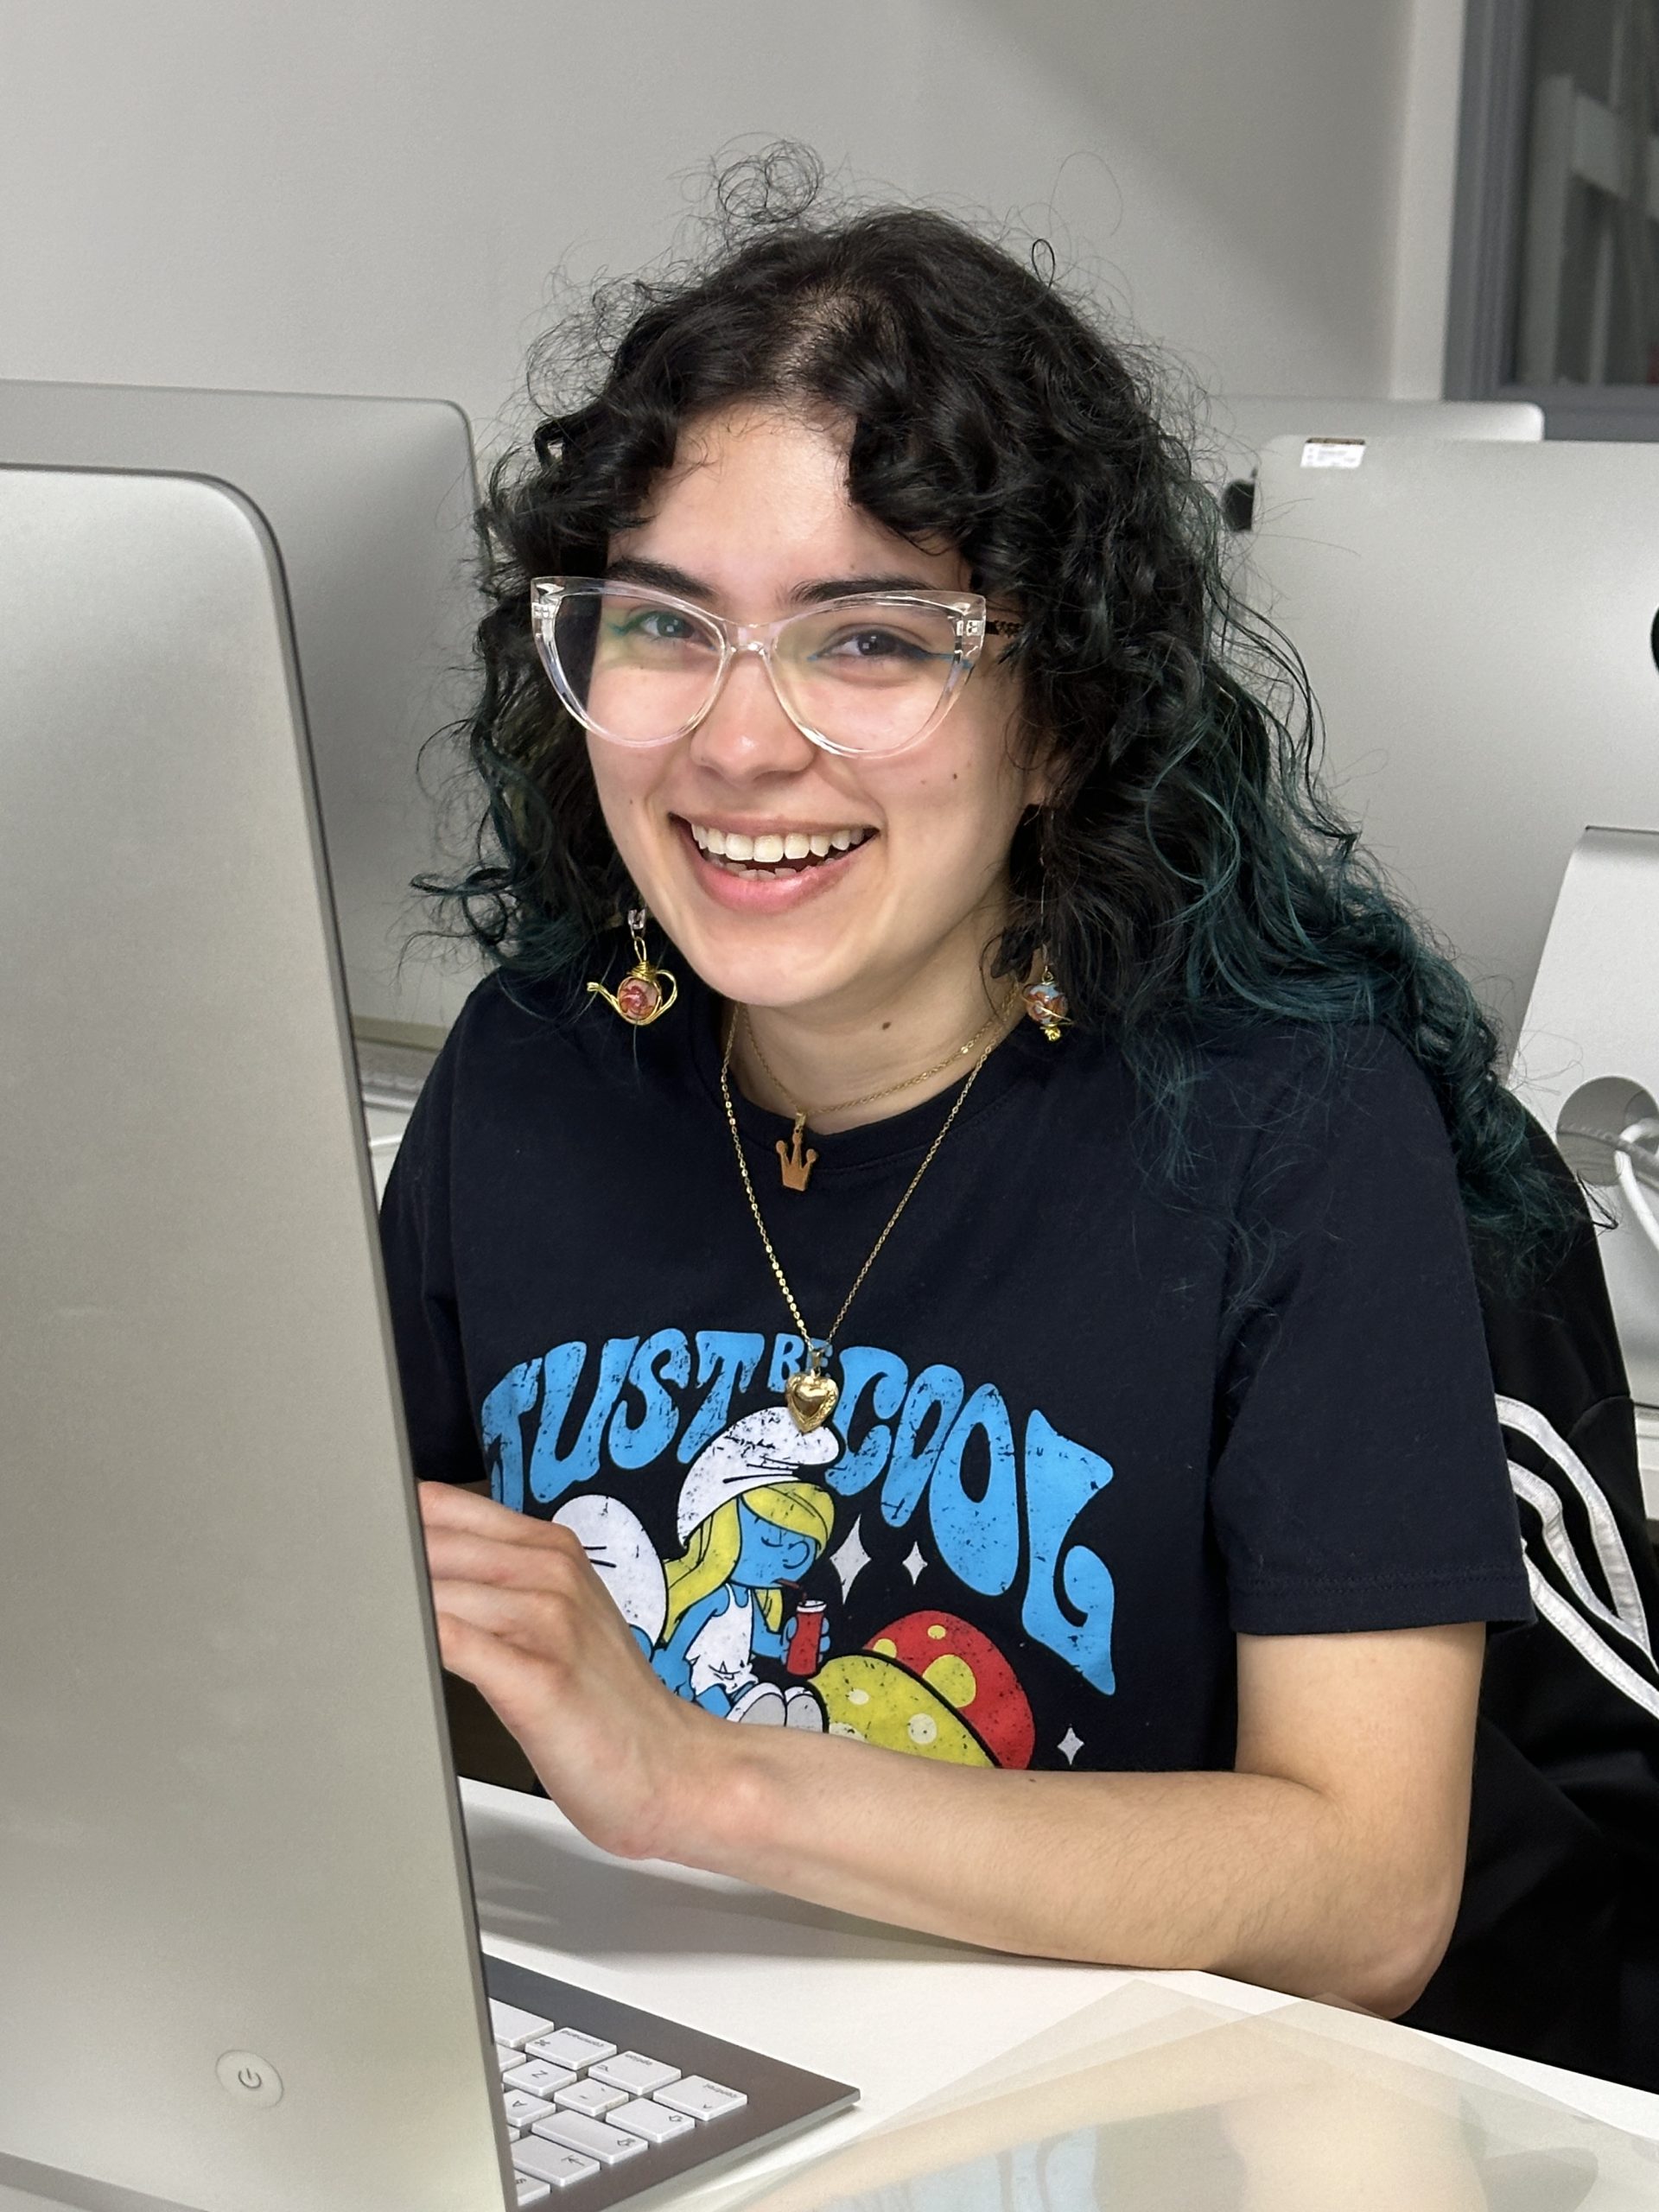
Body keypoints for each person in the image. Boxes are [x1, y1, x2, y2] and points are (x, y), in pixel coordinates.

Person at [381, 154, 1656, 2067]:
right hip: (666, 2049)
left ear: (1059, 714)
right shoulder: (533, 1063)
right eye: (661, 623)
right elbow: (388, 1667)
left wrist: (703, 1778)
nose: (739, 739)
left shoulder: (1289, 1126)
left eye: (870, 638)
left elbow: (1369, 1890)